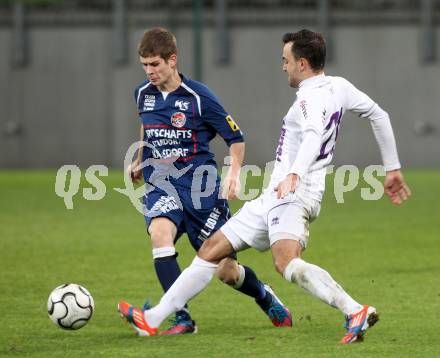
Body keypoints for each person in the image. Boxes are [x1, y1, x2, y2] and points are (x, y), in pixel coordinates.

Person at [118, 29, 411, 343]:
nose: (282, 66)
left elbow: (313, 135)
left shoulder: (309, 100)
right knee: (210, 250)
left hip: (293, 193)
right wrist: (392, 167)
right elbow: (379, 114)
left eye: (285, 60)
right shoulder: (337, 86)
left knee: (286, 262)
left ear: (301, 63)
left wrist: (295, 173)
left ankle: (354, 310)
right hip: (275, 194)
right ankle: (152, 318)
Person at [122, 27, 292, 336]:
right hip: (162, 185)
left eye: (155, 64)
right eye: (144, 65)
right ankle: (182, 318)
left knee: (226, 271)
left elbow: (236, 139)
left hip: (202, 193)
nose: (149, 72)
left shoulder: (199, 98)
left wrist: (233, 173)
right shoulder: (142, 94)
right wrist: (140, 159)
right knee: (160, 235)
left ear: (172, 60)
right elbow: (147, 129)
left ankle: (265, 296)